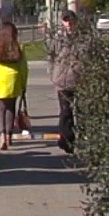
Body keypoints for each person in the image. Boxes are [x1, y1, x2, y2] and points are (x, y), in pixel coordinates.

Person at [0, 21, 29, 151]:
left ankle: (1, 135)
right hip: (13, 81)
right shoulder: (18, 46)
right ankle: (8, 136)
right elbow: (24, 67)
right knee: (10, 109)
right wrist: (23, 83)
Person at [48, 9, 88, 153]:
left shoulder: (84, 38)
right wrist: (53, 75)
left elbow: (90, 56)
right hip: (62, 81)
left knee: (82, 111)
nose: (69, 23)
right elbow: (51, 57)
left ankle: (84, 139)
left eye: (71, 20)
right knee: (65, 112)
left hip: (80, 80)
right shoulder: (58, 39)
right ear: (62, 22)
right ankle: (66, 140)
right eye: (66, 20)